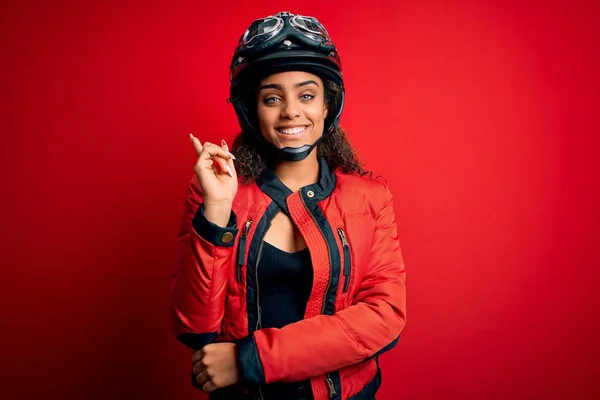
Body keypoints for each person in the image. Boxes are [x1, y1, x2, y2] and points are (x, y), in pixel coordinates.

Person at [170, 11, 407, 400]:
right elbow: (195, 328)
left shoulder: (371, 198)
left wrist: (252, 360)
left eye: (307, 95)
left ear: (328, 104)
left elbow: (385, 317)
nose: (291, 111)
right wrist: (216, 210)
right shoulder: (215, 192)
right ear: (250, 109)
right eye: (272, 98)